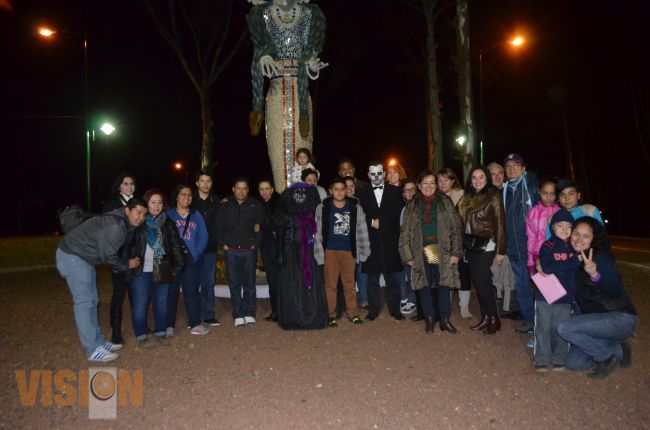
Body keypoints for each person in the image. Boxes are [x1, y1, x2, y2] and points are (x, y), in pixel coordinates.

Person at [247, 0, 326, 192]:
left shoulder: (308, 14)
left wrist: (312, 67)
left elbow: (311, 54)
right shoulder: (263, 14)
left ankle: (305, 199)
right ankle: (283, 198)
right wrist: (263, 56)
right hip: (276, 90)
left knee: (303, 146)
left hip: (300, 93)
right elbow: (258, 55)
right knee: (277, 150)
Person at [56, 198, 146, 361]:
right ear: (127, 210)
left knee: (93, 300)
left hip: (83, 257)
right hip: (73, 257)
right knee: (84, 302)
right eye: (138, 212)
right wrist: (127, 264)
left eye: (144, 214)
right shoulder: (116, 226)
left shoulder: (119, 220)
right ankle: (92, 350)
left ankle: (98, 342)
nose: (141, 217)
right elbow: (108, 257)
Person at [557, 217, 638, 379]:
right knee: (574, 363)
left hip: (619, 317)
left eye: (586, 236)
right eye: (576, 234)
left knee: (564, 328)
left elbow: (614, 291)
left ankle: (606, 358)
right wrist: (540, 266)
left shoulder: (601, 258)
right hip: (595, 321)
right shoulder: (574, 259)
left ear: (595, 238)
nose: (579, 239)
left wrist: (595, 274)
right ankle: (619, 349)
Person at [399, 171, 462, 333]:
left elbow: (456, 229)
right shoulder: (412, 205)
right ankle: (429, 318)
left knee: (444, 285)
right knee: (424, 285)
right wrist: (408, 256)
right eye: (425, 183)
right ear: (419, 186)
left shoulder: (445, 202)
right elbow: (404, 233)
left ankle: (444, 319)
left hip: (441, 250)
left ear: (436, 185)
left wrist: (455, 252)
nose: (428, 186)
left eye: (432, 183)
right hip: (420, 252)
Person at [128, 190, 188, 343]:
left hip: (162, 267)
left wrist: (176, 269)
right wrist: (128, 262)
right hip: (141, 269)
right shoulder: (138, 222)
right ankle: (141, 332)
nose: (156, 206)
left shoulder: (168, 223)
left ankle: (160, 329)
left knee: (161, 302)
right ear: (146, 204)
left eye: (160, 202)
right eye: (153, 202)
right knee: (140, 303)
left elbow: (176, 247)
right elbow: (127, 245)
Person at [315, 178, 371, 326]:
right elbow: (317, 232)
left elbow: (362, 229)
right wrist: (320, 253)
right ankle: (330, 314)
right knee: (330, 285)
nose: (339, 192)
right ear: (330, 191)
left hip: (348, 252)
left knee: (350, 285)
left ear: (346, 191)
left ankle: (352, 313)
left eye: (342, 189)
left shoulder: (355, 207)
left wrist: (363, 251)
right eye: (336, 189)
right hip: (330, 251)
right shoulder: (323, 208)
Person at [458, 166, 506, 334]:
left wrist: (500, 250)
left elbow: (500, 223)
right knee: (479, 284)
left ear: (487, 179)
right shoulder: (466, 198)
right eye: (473, 178)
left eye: (481, 177)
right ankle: (486, 317)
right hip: (470, 245)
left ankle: (494, 319)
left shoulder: (493, 195)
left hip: (487, 244)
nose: (477, 181)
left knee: (483, 283)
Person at [533, 209, 581, 371]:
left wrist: (573, 300)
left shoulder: (574, 248)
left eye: (569, 227)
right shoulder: (548, 246)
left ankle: (559, 357)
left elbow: (576, 275)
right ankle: (541, 358)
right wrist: (572, 262)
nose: (564, 230)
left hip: (565, 297)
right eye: (560, 226)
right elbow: (547, 267)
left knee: (560, 328)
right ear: (553, 227)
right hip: (545, 295)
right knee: (543, 327)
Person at [276, 182, 329, 329]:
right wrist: (280, 253)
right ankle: (294, 318)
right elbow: (280, 234)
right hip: (291, 253)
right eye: (296, 192)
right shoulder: (285, 215)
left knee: (311, 285)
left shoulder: (315, 213)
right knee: (293, 284)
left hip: (311, 253)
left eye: (303, 192)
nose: (300, 195)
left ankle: (313, 317)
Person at [357, 162, 405, 321]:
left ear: (384, 174)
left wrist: (382, 223)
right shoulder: (362, 192)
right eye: (373, 174)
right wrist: (372, 222)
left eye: (379, 173)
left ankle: (395, 309)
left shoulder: (396, 191)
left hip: (390, 241)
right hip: (371, 242)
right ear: (368, 175)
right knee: (372, 278)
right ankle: (373, 309)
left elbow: (397, 216)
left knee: (392, 277)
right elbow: (360, 215)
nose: (376, 177)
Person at [216, 177, 263, 327]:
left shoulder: (255, 204)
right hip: (231, 251)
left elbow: (259, 227)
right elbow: (218, 226)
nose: (241, 191)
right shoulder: (225, 205)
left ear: (248, 190)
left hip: (248, 251)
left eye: (244, 188)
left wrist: (255, 244)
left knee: (249, 284)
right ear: (233, 189)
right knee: (234, 284)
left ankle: (250, 313)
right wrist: (223, 244)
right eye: (238, 188)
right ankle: (238, 313)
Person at [502, 153, 539, 334]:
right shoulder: (505, 190)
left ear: (524, 168)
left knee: (544, 286)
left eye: (516, 165)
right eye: (508, 166)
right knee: (523, 286)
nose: (512, 168)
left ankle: (549, 322)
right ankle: (529, 321)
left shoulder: (533, 187)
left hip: (536, 249)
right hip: (515, 248)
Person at [166, 184, 209, 336]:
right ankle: (168, 325)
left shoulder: (196, 215)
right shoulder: (169, 214)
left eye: (189, 195)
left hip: (192, 261)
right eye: (183, 194)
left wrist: (195, 253)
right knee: (171, 293)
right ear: (176, 196)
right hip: (173, 262)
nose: (186, 197)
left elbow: (204, 237)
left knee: (191, 292)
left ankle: (195, 323)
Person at [102, 172, 137, 346]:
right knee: (118, 295)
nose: (129, 186)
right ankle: (116, 332)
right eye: (125, 183)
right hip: (118, 255)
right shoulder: (112, 205)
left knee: (135, 293)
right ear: (119, 186)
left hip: (134, 254)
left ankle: (140, 326)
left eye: (131, 183)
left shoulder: (137, 203)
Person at [436, 167, 473, 319]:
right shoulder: (435, 198)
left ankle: (464, 306)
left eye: (446, 179)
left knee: (464, 274)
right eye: (440, 180)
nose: (443, 183)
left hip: (462, 243)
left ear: (453, 180)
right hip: (442, 243)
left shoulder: (463, 197)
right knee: (445, 274)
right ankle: (447, 303)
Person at [192, 169, 221, 327]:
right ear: (197, 183)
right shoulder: (190, 201)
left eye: (208, 181)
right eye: (202, 181)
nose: (205, 184)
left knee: (208, 283)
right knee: (193, 283)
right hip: (193, 249)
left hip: (210, 249)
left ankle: (208, 314)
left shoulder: (216, 201)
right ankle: (194, 316)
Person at [258, 179, 282, 322]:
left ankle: (283, 311)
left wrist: (261, 226)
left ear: (272, 189)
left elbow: (278, 223)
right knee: (272, 281)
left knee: (281, 280)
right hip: (267, 247)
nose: (265, 192)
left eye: (267, 188)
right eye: (261, 189)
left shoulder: (279, 203)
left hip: (280, 247)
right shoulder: (259, 204)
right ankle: (275, 312)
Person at [344, 175, 369, 310]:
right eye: (346, 186)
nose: (349, 189)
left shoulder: (361, 202)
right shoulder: (339, 203)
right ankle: (350, 302)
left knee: (362, 273)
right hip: (345, 246)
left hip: (360, 244)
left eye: (352, 186)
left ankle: (364, 299)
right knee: (348, 275)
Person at [526, 177, 560, 275]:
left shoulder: (560, 212)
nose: (549, 198)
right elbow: (530, 239)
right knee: (542, 289)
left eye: (552, 193)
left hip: (558, 259)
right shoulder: (532, 213)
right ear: (539, 191)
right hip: (538, 259)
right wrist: (531, 264)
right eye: (545, 193)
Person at [399, 179, 418, 315]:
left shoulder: (419, 206)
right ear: (403, 194)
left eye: (412, 189)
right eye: (407, 190)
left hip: (415, 247)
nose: (410, 192)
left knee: (413, 275)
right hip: (404, 247)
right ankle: (405, 296)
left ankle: (413, 299)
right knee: (405, 274)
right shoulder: (404, 207)